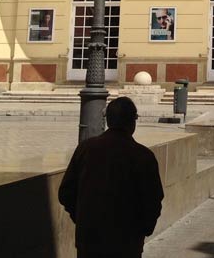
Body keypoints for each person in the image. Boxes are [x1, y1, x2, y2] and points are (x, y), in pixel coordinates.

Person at [58, 97, 164, 257]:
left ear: (108, 120)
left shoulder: (85, 149)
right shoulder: (143, 156)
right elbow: (153, 199)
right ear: (132, 122)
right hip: (126, 242)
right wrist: (143, 229)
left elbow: (66, 192)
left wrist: (82, 218)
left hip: (89, 239)